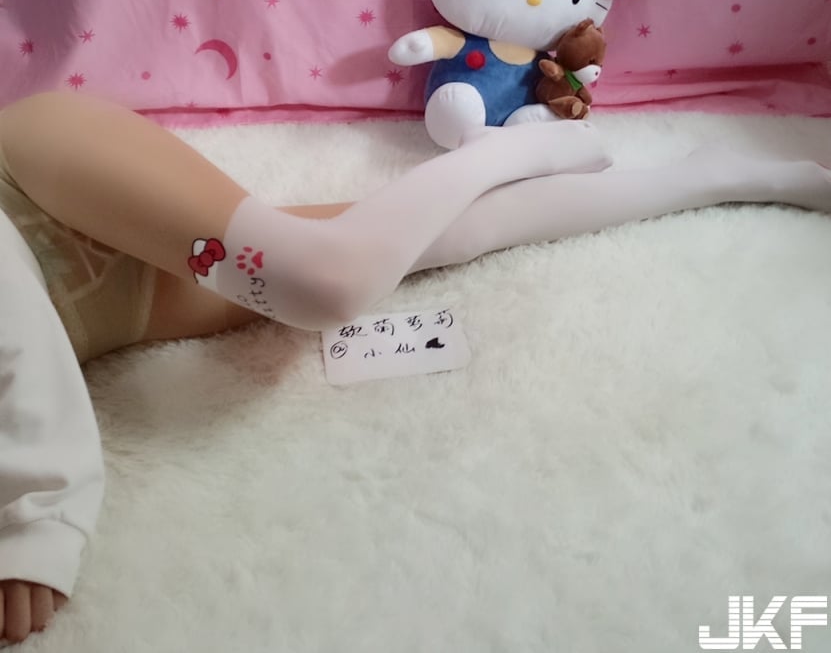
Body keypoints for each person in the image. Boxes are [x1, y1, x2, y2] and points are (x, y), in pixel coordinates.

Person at [0, 90, 828, 644]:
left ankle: (501, 151)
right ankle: (705, 177)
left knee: (324, 279)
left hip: (26, 179)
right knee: (426, 242)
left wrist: (37, 509)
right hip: (82, 305)